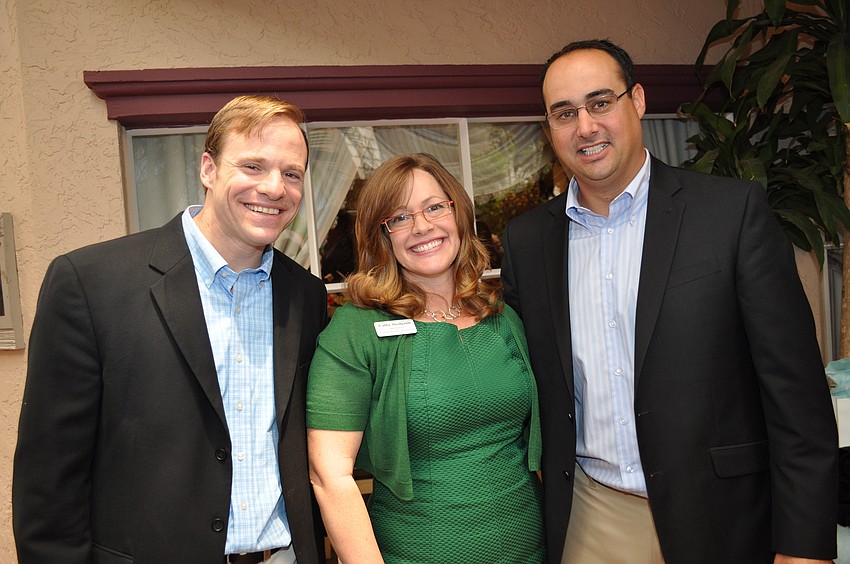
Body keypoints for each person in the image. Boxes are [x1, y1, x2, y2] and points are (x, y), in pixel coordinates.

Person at [501, 39, 838, 564]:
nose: (585, 126)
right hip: (592, 516)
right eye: (564, 112)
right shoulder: (526, 241)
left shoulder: (730, 215)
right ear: (549, 128)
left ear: (636, 100)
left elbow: (798, 399)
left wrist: (803, 548)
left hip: (723, 517)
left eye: (600, 102)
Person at [13, 95, 328, 564]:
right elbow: (50, 480)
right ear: (208, 169)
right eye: (253, 166)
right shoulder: (90, 283)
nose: (273, 188)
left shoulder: (305, 294)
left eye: (291, 173)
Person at [306, 153, 545, 563]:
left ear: (458, 213)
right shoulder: (356, 331)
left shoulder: (502, 318)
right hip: (417, 550)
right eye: (399, 217)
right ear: (383, 235)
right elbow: (330, 475)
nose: (422, 226)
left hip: (529, 546)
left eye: (434, 207)